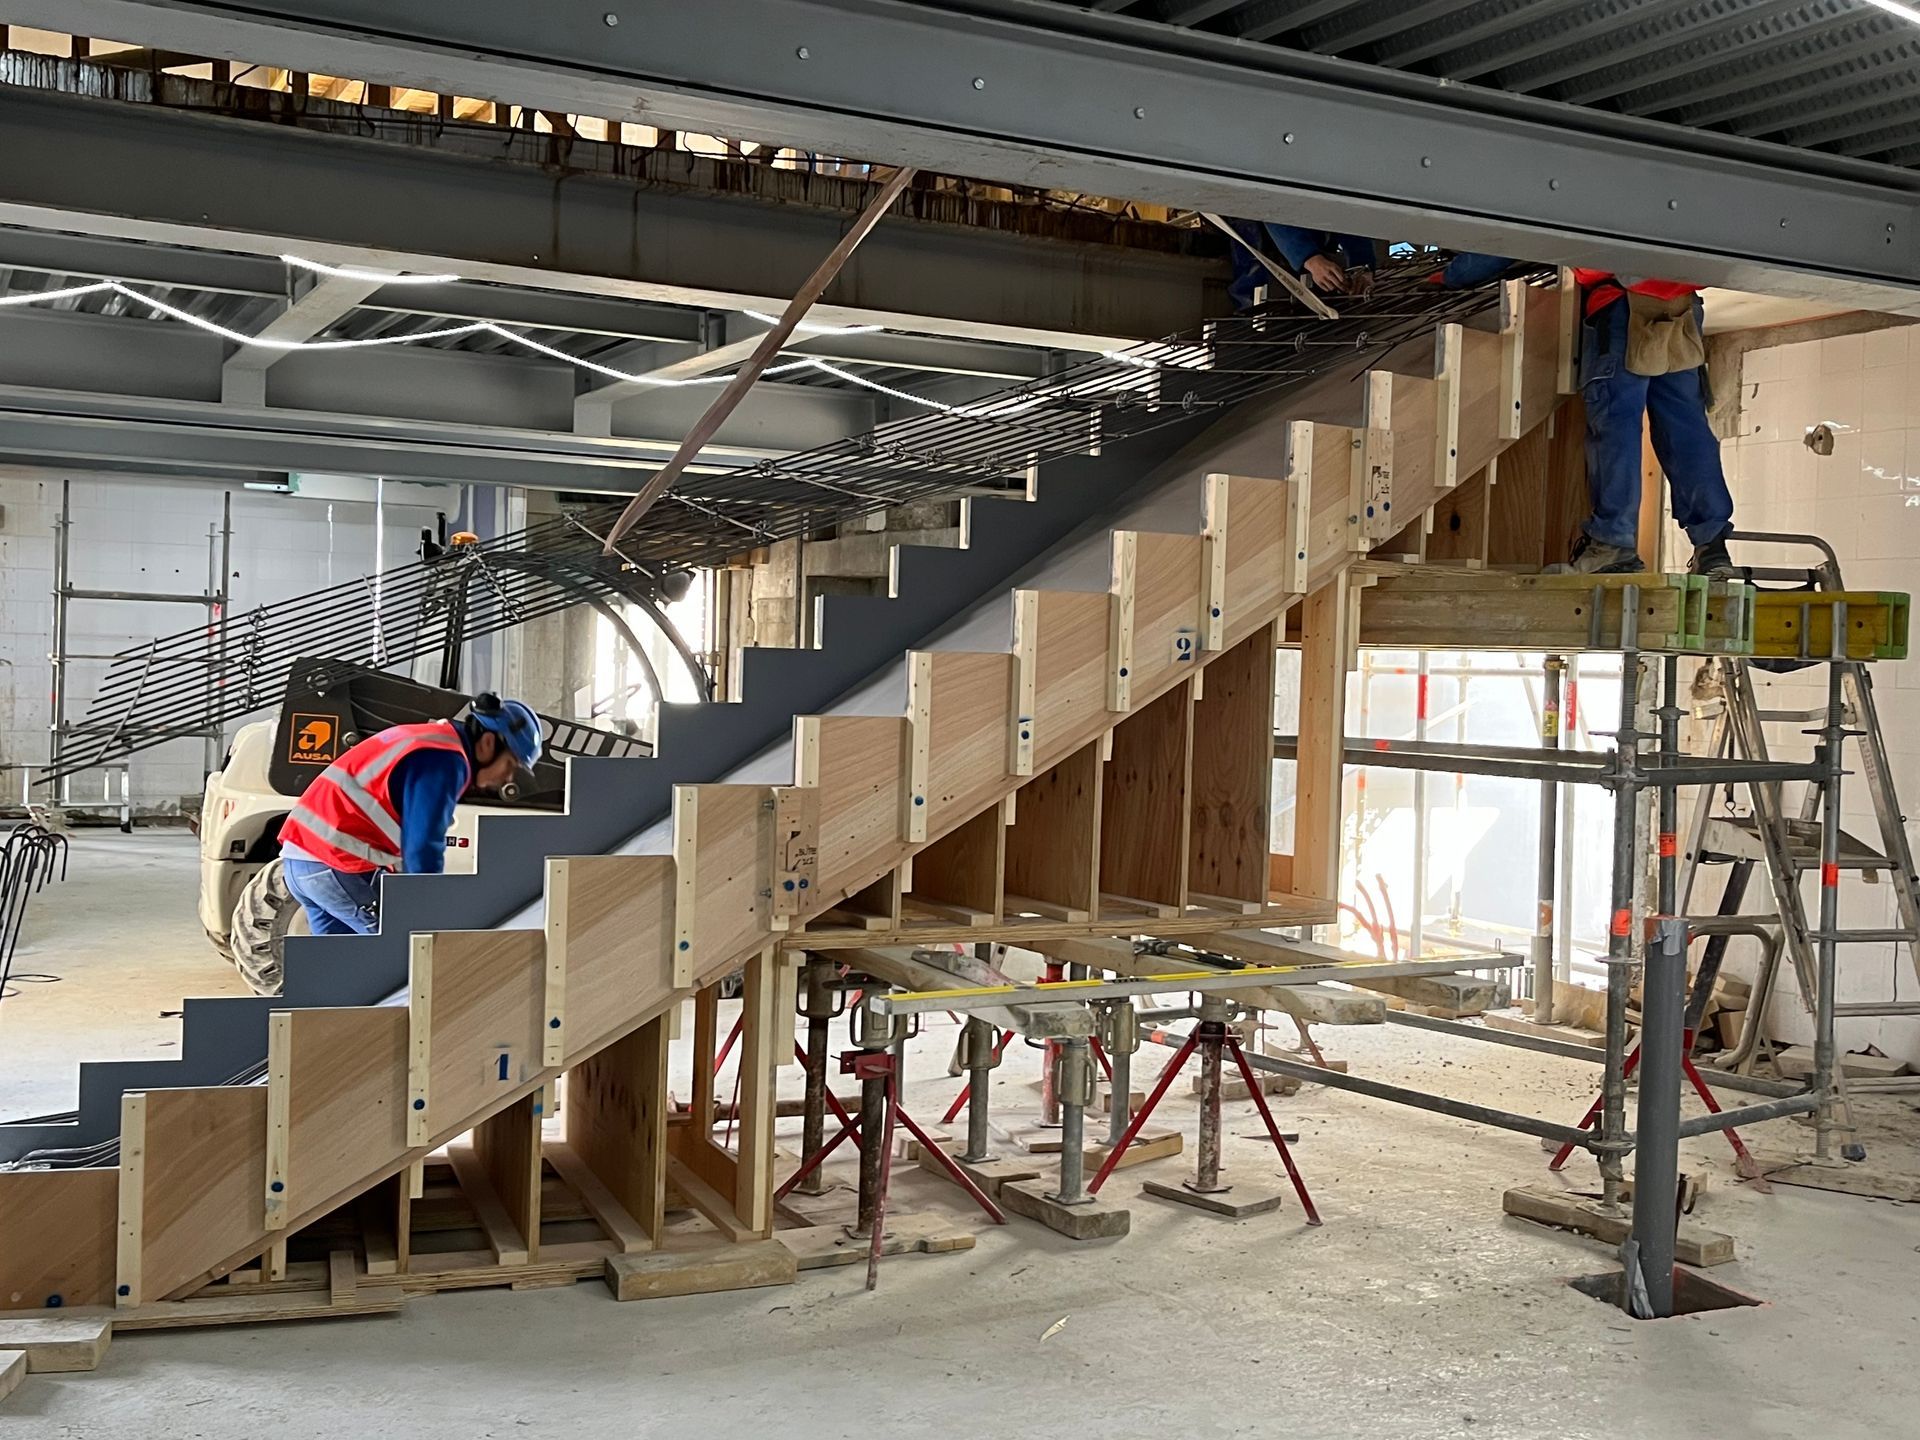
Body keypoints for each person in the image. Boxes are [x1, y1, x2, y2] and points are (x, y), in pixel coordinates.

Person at [277, 694, 544, 936]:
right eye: (510, 765)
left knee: (339, 969)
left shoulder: (428, 738)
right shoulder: (446, 759)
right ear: (488, 743)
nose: (506, 779)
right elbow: (423, 845)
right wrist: (425, 911)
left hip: (299, 861)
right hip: (337, 865)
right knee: (406, 948)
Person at [1565, 268, 1733, 575]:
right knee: (1687, 431)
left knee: (1617, 429)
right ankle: (1712, 546)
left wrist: (1458, 273)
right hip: (1680, 307)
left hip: (1621, 305)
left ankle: (1612, 542)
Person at [1225, 219, 1380, 308]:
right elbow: (1272, 206)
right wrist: (1309, 258)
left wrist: (1362, 266)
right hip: (1258, 223)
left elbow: (1348, 212)